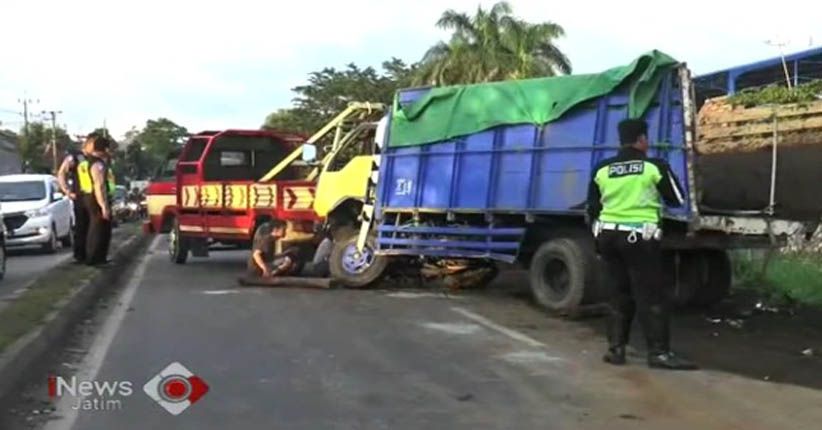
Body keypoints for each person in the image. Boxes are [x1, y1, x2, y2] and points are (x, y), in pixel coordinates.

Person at [586, 118, 697, 371]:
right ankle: (658, 353)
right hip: (640, 240)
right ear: (642, 140)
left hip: (608, 237)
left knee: (617, 292)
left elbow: (592, 207)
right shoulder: (653, 166)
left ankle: (616, 350)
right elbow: (677, 200)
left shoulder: (602, 169)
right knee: (651, 295)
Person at [57, 136, 96, 263]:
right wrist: (67, 191)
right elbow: (61, 173)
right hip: (81, 196)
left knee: (94, 227)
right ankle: (80, 255)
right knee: (82, 226)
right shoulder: (75, 157)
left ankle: (93, 254)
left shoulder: (96, 158)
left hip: (95, 196)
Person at [82, 136, 113, 266]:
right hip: (95, 199)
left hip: (87, 196)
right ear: (104, 149)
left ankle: (96, 258)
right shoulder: (98, 164)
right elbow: (99, 186)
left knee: (95, 227)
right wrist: (104, 206)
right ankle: (96, 258)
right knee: (99, 229)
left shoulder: (87, 162)